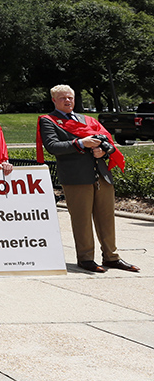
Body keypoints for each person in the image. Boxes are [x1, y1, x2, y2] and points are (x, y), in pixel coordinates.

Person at [37, 85, 139, 274]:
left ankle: (111, 257)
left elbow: (107, 140)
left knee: (106, 218)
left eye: (70, 97)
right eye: (62, 98)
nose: (67, 101)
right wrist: (80, 142)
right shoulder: (49, 121)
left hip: (102, 174)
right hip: (76, 177)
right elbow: (53, 146)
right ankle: (85, 258)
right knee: (82, 220)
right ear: (54, 100)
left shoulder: (88, 120)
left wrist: (104, 150)